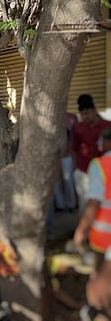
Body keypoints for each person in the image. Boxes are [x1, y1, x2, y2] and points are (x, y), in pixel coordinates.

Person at [74, 127, 111, 317]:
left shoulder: (101, 164)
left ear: (106, 143)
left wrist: (81, 229)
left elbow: (94, 202)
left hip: (104, 240)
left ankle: (102, 310)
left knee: (100, 286)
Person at [71, 94, 111, 214]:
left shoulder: (107, 126)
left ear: (94, 110)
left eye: (87, 113)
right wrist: (75, 169)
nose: (85, 117)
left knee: (104, 203)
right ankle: (86, 230)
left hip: (104, 172)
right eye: (82, 114)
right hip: (83, 172)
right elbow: (74, 148)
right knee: (85, 204)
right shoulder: (78, 127)